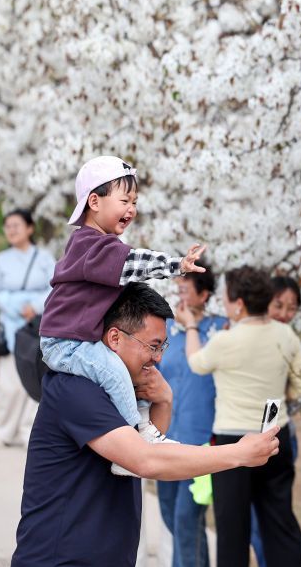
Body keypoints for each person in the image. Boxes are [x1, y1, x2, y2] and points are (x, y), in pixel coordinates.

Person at [10, 283, 281, 567]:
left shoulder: (121, 390)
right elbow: (146, 460)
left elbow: (144, 447)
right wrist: (238, 454)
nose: (158, 358)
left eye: (162, 346)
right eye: (153, 346)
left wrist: (164, 400)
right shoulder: (76, 389)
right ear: (115, 338)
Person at [38, 155, 206, 476]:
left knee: (128, 375)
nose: (132, 209)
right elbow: (133, 263)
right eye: (125, 200)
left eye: (135, 201)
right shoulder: (92, 246)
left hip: (77, 339)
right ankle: (135, 443)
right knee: (115, 372)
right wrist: (176, 265)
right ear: (94, 202)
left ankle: (142, 427)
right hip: (66, 343)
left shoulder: (97, 245)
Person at [186, 266, 301, 567]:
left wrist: (190, 327)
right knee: (280, 525)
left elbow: (196, 364)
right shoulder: (285, 334)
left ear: (238, 303)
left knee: (232, 533)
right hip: (272, 435)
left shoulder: (226, 340)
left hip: (232, 445)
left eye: (227, 298)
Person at [157, 262, 226, 567]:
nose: (179, 297)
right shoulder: (165, 329)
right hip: (166, 439)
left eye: (186, 290)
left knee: (187, 520)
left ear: (204, 295)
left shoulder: (221, 330)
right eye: (177, 290)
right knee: (173, 518)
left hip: (203, 443)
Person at [249, 274, 301, 567]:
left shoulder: (289, 344)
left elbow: (298, 393)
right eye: (278, 304)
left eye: (292, 307)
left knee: (271, 523)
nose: (285, 313)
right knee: (257, 524)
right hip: (247, 438)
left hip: (276, 437)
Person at [0, 209, 56, 448]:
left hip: (37, 325)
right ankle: (5, 431)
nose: (11, 230)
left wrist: (35, 305)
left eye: (16, 225)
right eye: (7, 226)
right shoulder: (1, 260)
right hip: (11, 326)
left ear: (30, 228)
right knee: (9, 384)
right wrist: (17, 305)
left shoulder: (44, 258)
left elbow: (55, 288)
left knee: (35, 380)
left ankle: (29, 432)